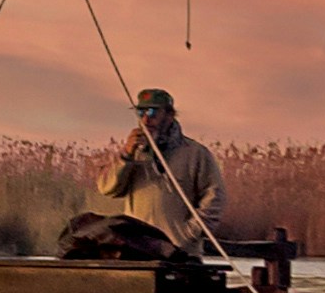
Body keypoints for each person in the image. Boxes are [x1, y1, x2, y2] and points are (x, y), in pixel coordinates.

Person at [62, 87, 225, 259]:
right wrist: (126, 156)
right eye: (141, 112)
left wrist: (191, 232)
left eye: (153, 112)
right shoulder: (132, 152)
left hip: (181, 253)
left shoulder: (195, 153)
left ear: (169, 115)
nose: (146, 118)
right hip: (138, 251)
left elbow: (215, 196)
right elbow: (107, 189)